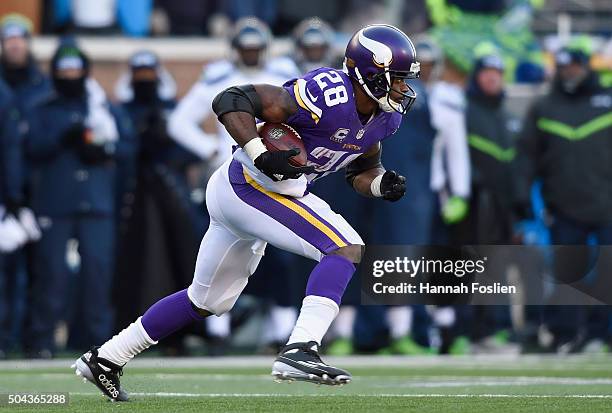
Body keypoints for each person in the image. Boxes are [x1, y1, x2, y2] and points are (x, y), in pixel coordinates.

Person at [73, 24, 419, 400]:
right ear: (368, 74)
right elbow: (230, 99)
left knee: (206, 301)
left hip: (254, 192)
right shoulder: (328, 95)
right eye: (397, 79)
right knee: (345, 247)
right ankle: (300, 350)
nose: (404, 88)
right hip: (251, 186)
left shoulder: (386, 118)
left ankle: (106, 358)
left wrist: (379, 183)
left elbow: (360, 168)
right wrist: (259, 150)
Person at [167, 17, 298, 349]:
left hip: (276, 175)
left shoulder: (284, 72)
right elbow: (179, 121)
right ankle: (218, 330)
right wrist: (210, 148)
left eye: (256, 49)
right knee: (225, 252)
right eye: (246, 49)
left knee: (282, 254)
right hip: (233, 176)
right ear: (235, 50)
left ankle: (281, 330)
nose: (252, 55)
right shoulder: (219, 77)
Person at [24, 41, 135, 357]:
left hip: (96, 202)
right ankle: (42, 341)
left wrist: (104, 150)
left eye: (75, 70)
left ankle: (97, 343)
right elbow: (30, 147)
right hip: (55, 202)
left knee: (97, 274)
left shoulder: (102, 107)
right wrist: (61, 140)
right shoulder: (40, 106)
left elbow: (127, 147)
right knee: (52, 275)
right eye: (64, 70)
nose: (70, 75)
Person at [516, 36, 612, 353]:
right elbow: (527, 156)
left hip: (606, 203)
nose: (568, 72)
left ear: (585, 67)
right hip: (564, 205)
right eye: (563, 67)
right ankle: (565, 334)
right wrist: (522, 198)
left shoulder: (607, 100)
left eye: (573, 66)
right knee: (568, 273)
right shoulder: (544, 106)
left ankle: (601, 334)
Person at [114, 50, 205, 354]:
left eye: (148, 74)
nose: (144, 81)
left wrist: (165, 144)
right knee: (136, 266)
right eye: (138, 75)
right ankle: (133, 331)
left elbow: (190, 151)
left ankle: (183, 331)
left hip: (171, 197)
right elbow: (118, 151)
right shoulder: (123, 110)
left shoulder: (171, 109)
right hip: (134, 197)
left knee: (182, 259)